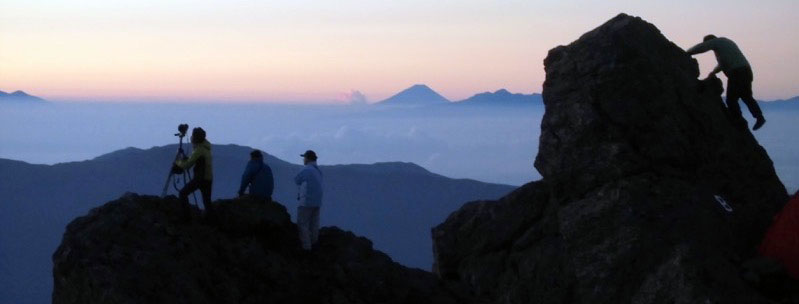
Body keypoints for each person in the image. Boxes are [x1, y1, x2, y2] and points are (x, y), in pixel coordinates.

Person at [687, 34, 766, 130]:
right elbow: (723, 63)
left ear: (710, 41)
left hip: (737, 73)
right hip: (746, 71)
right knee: (746, 96)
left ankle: (738, 121)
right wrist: (713, 72)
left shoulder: (717, 42)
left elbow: (701, 47)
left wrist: (687, 53)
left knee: (731, 99)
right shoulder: (725, 43)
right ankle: (759, 117)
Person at [173, 127, 214, 219]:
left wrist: (178, 163)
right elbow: (195, 161)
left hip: (200, 179)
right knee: (207, 202)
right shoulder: (206, 149)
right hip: (208, 179)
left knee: (183, 194)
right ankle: (211, 222)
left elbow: (188, 164)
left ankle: (186, 218)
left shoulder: (199, 150)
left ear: (196, 138)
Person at [294, 150, 323, 250]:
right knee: (314, 224)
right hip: (317, 201)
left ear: (308, 158)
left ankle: (306, 247)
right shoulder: (318, 171)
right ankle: (314, 243)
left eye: (304, 157)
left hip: (306, 201)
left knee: (302, 223)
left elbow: (297, 180)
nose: (303, 159)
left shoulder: (307, 170)